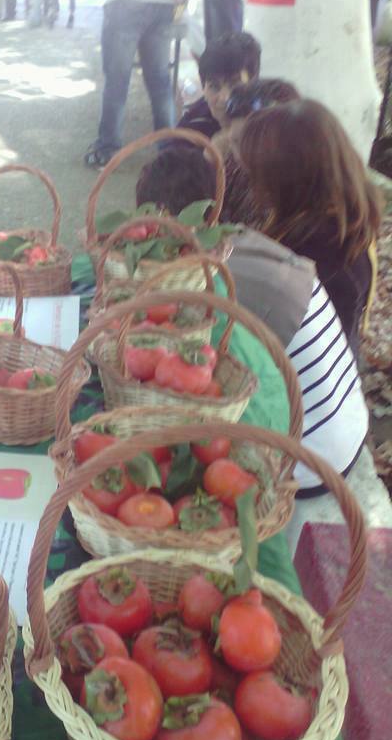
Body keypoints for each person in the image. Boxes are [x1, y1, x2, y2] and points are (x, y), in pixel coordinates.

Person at [134, 144, 370, 497]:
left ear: (166, 216)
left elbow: (197, 380)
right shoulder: (243, 241)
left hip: (310, 462)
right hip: (345, 427)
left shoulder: (210, 282)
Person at [239, 100, 380, 360]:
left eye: (258, 174)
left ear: (287, 179)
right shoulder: (344, 214)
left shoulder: (320, 255)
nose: (253, 185)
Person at [84, 0, 196, 169]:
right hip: (163, 1)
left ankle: (108, 148)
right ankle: (168, 151)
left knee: (117, 80)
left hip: (127, 0)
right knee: (160, 81)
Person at [214, 77, 300, 225]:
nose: (238, 152)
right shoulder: (236, 170)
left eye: (252, 141)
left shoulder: (293, 199)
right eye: (235, 142)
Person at [176, 30, 260, 138]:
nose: (224, 98)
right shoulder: (190, 130)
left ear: (255, 83)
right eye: (214, 87)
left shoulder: (272, 126)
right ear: (204, 89)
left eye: (235, 86)